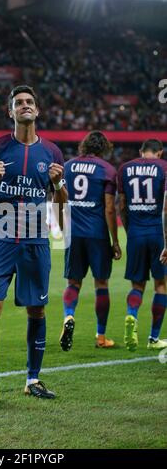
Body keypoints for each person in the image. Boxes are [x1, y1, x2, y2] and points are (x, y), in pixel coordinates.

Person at [0, 85, 67, 408]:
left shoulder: (53, 153)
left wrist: (57, 184)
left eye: (29, 102)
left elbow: (60, 201)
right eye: (18, 103)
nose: (25, 106)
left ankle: (33, 379)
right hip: (0, 239)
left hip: (35, 240)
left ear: (37, 111)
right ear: (10, 112)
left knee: (37, 309)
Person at [61, 131, 121, 352]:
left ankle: (69, 316)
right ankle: (101, 336)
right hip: (97, 234)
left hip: (73, 233)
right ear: (103, 147)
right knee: (101, 284)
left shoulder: (67, 166)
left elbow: (61, 200)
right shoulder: (107, 170)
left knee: (73, 283)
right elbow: (108, 208)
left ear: (84, 146)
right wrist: (114, 241)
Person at [118, 139, 167, 351]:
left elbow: (121, 205)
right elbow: (166, 207)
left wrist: (130, 232)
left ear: (141, 151)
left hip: (135, 233)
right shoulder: (164, 168)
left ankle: (131, 315)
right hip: (157, 232)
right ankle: (153, 338)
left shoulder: (125, 168)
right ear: (160, 152)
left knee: (137, 285)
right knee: (161, 285)